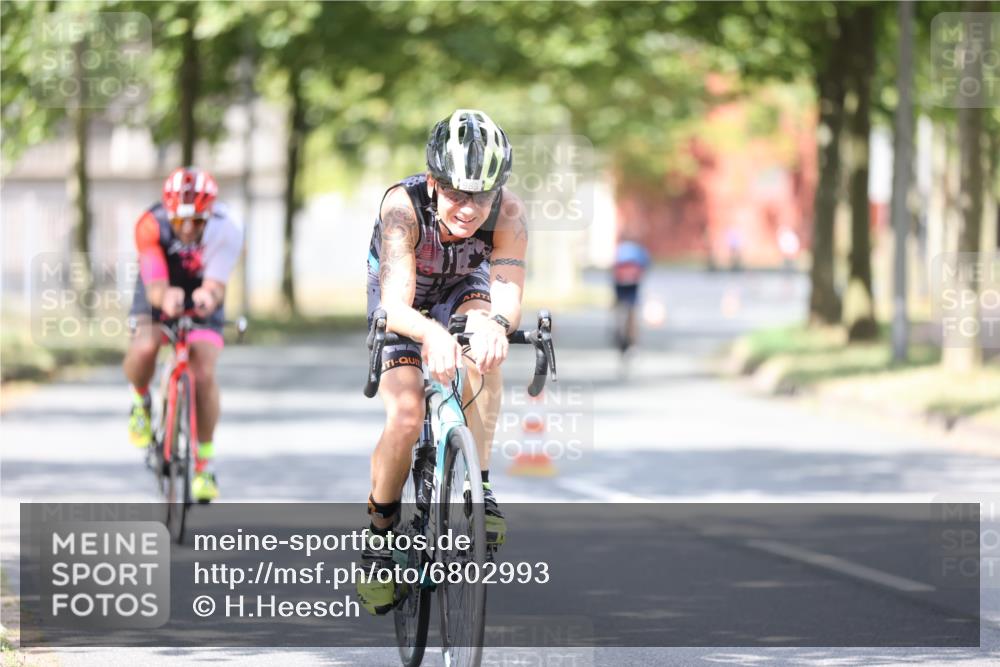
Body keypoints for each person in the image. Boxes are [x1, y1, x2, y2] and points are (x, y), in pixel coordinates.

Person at [357, 109, 527, 615]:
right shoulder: (402, 208)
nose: (469, 207)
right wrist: (431, 333)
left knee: (486, 347)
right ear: (433, 183)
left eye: (482, 194)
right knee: (407, 413)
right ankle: (379, 539)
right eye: (455, 193)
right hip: (401, 297)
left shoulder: (510, 214)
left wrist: (496, 327)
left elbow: (506, 293)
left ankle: (482, 485)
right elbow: (397, 303)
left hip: (463, 288)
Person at [123, 167, 244, 502]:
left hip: (201, 288)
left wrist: (209, 296)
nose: (189, 230)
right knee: (146, 346)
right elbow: (156, 282)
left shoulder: (228, 226)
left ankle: (204, 464)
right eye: (180, 222)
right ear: (168, 213)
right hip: (158, 283)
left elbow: (216, 284)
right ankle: (140, 400)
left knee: (202, 370)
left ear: (210, 215)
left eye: (198, 222)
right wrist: (165, 298)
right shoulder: (150, 224)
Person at [612, 234, 650, 354]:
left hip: (619, 281)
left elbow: (613, 266)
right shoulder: (639, 250)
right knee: (633, 308)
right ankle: (632, 339)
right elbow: (645, 266)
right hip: (633, 281)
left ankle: (618, 330)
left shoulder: (619, 248)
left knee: (619, 305)